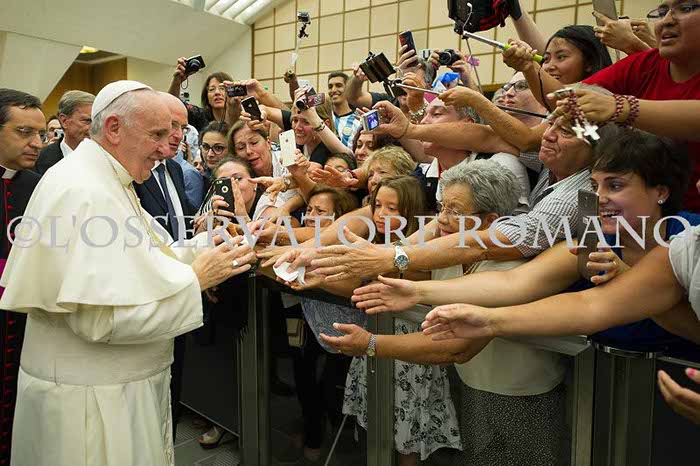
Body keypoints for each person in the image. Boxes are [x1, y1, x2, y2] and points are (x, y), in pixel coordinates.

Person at [0, 81, 256, 466]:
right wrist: (197, 280)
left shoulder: (106, 178)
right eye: (157, 134)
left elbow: (146, 258)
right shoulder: (85, 190)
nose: (166, 148)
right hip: (92, 403)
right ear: (115, 128)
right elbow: (100, 319)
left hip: (112, 390)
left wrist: (208, 245)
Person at [329, 160, 569, 465]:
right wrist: (323, 266)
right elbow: (404, 273)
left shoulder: (509, 266)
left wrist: (371, 344)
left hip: (519, 398)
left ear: (490, 220)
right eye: (442, 206)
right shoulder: (449, 250)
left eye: (455, 211)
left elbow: (457, 346)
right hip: (472, 385)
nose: (441, 219)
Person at [132, 92, 198, 439]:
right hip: (151, 292)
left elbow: (178, 226)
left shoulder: (174, 167)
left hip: (181, 283)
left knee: (175, 378)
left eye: (182, 128)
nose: (177, 136)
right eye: (170, 126)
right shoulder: (132, 172)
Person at [0, 88, 43, 466]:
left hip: (26, 326)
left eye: (40, 134)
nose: (37, 143)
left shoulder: (37, 184)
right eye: (24, 132)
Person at [35, 90, 94, 175]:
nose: (94, 127)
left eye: (96, 121)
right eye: (87, 121)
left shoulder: (107, 157)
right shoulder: (39, 160)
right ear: (64, 121)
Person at [327, 72, 362, 149]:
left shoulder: (358, 120)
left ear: (348, 89)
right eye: (330, 87)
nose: (333, 90)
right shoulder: (325, 117)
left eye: (338, 85)